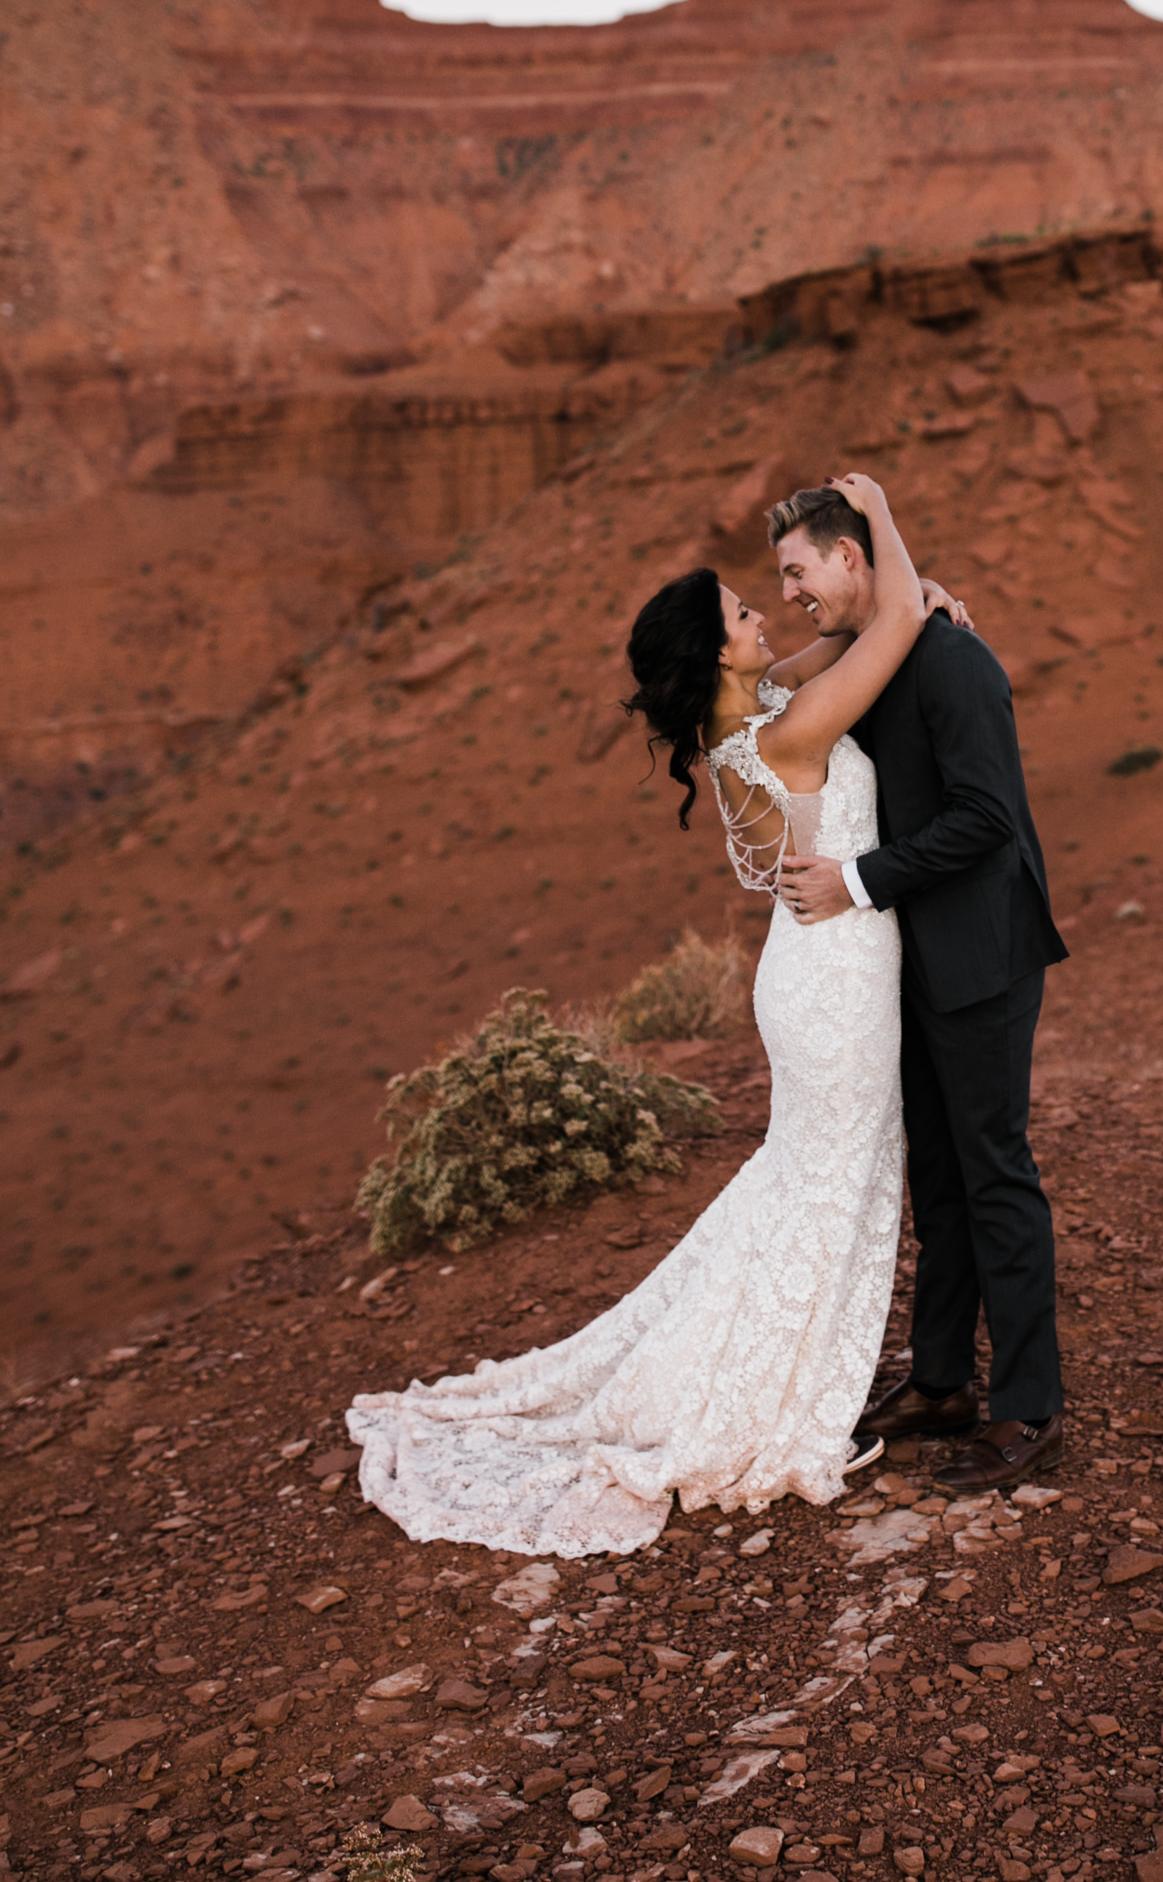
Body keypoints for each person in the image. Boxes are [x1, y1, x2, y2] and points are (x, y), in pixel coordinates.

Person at [347, 474, 955, 1558]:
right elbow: (893, 622)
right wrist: (881, 519)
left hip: (819, 970)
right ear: (719, 654)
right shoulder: (780, 738)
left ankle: (783, 1361)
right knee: (826, 1178)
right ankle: (770, 1392)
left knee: (813, 1176)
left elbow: (839, 650)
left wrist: (906, 601)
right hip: (832, 985)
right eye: (740, 615)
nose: (762, 616)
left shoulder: (753, 722)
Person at [768, 482, 1067, 1495]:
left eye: (797, 570)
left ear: (851, 558)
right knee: (936, 1178)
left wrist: (851, 883)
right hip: (911, 961)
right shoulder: (885, 649)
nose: (788, 591)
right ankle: (940, 1381)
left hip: (980, 954)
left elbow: (987, 818)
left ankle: (1028, 1407)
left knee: (994, 1173)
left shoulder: (953, 658)